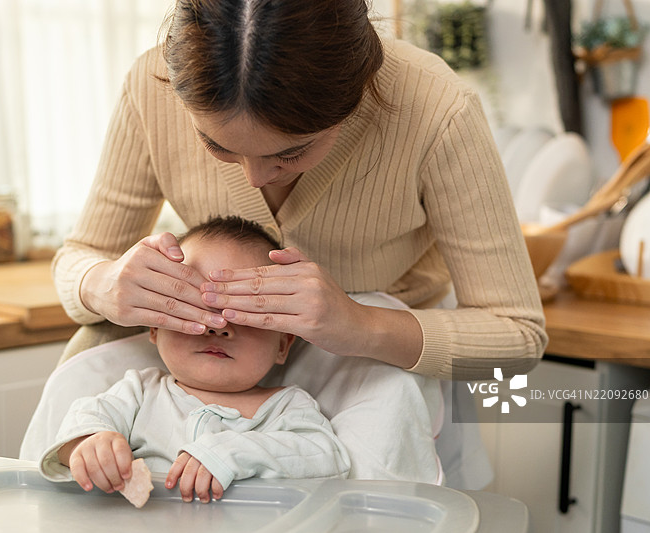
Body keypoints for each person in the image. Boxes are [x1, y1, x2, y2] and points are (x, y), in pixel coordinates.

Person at [50, 0, 547, 489]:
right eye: (217, 146)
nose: (254, 175)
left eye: (293, 151)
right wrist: (104, 284)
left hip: (375, 366)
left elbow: (518, 335)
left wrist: (358, 323)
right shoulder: (151, 86)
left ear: (358, 96)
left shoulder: (437, 109)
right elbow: (81, 255)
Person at [39, 217, 352, 503]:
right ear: (155, 325)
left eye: (247, 313)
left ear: (283, 344)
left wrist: (230, 452)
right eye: (195, 304)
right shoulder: (140, 392)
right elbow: (85, 418)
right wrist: (91, 443)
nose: (219, 327)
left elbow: (328, 457)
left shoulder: (287, 407)